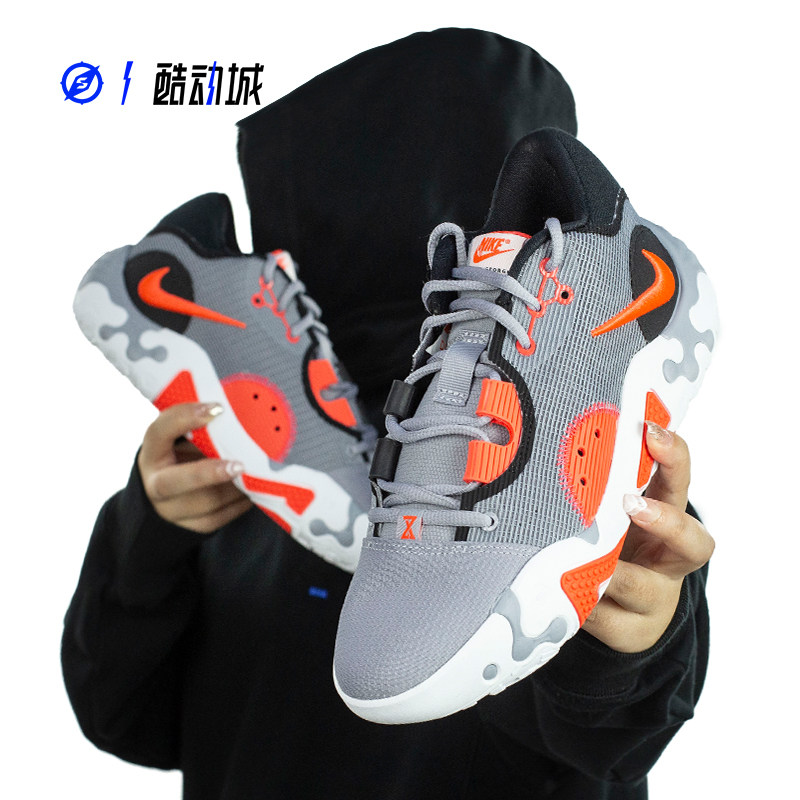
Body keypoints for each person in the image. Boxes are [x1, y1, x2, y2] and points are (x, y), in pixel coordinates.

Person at [62, 29, 714, 799]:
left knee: (551, 532)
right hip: (268, 446)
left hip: (552, 455)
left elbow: (611, 749)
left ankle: (514, 494)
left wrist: (626, 650)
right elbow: (122, 719)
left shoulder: (600, 460)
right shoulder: (227, 457)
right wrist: (150, 531)